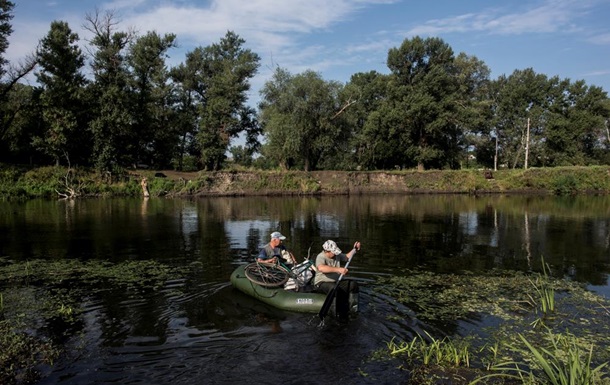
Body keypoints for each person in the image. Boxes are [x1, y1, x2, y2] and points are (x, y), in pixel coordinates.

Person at [314, 239, 360, 318]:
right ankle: (333, 315)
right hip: (322, 283)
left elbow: (346, 257)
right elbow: (321, 268)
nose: (335, 254)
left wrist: (354, 249)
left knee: (353, 284)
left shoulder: (336, 255)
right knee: (333, 288)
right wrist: (338, 269)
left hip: (336, 281)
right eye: (333, 252)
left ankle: (353, 310)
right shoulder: (320, 257)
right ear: (327, 251)